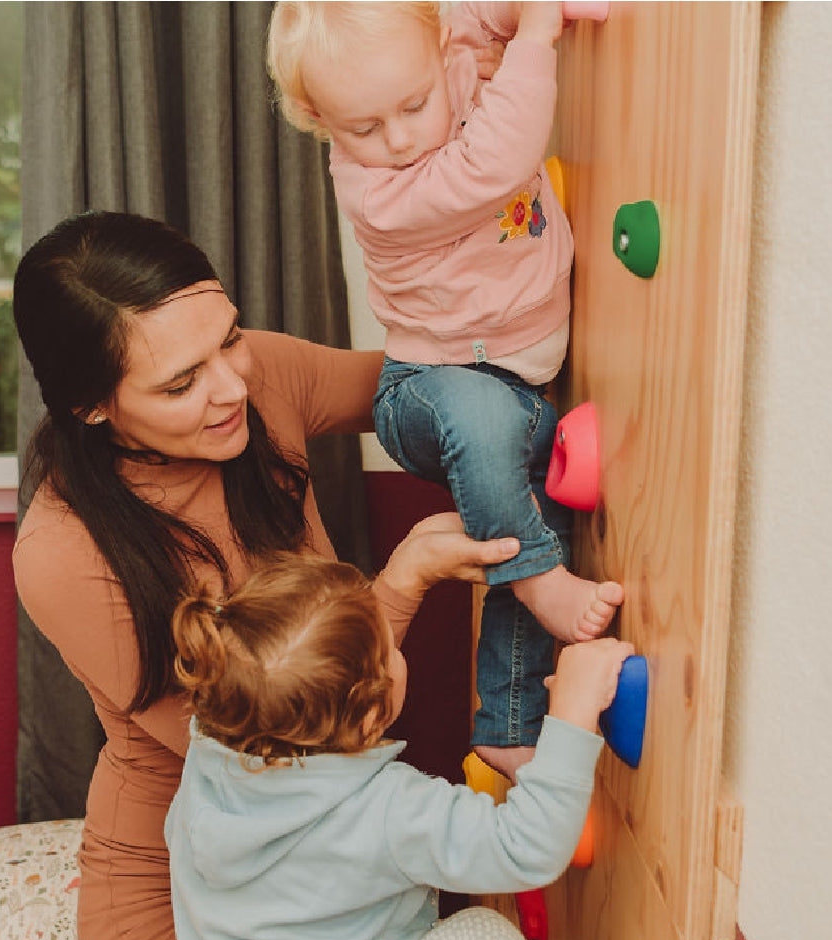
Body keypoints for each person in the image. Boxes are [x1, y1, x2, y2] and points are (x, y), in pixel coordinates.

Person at [0, 209, 540, 940]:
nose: (232, 384)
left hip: (312, 865)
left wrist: (516, 364)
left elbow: (419, 388)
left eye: (227, 336)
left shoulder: (245, 378)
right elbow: (281, 750)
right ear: (94, 408)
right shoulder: (66, 556)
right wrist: (397, 589)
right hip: (189, 893)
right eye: (181, 382)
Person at [166, 553, 632, 940]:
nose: (397, 651)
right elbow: (529, 848)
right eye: (390, 649)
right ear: (368, 716)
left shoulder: (208, 763)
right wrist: (573, 710)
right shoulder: (385, 809)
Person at [266, 2, 624, 787]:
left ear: (435, 45)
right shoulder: (380, 193)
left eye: (413, 106)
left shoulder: (443, 40)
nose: (396, 138)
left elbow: (478, 13)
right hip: (429, 389)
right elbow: (495, 163)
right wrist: (537, 39)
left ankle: (510, 725)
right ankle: (536, 575)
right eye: (362, 127)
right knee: (495, 455)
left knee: (523, 508)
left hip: (522, 384)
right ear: (316, 119)